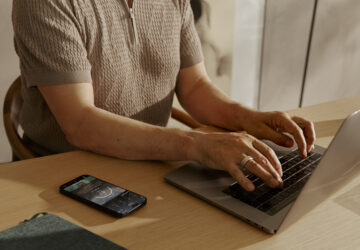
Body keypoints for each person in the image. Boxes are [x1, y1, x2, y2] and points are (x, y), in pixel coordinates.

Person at [12, 0, 315, 192]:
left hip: (151, 162)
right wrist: (196, 145)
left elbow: (194, 86)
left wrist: (249, 118)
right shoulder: (44, 3)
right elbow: (79, 123)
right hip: (64, 175)